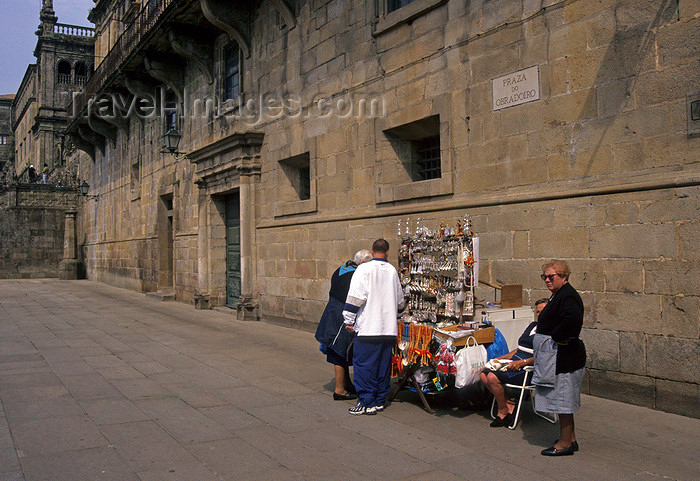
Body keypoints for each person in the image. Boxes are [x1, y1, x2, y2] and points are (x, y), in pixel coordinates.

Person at [343, 239, 405, 415]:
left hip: (369, 327)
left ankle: (366, 402)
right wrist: (397, 314)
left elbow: (355, 297)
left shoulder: (364, 269)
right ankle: (379, 400)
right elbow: (400, 302)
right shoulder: (392, 271)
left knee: (364, 366)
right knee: (382, 365)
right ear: (387, 252)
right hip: (388, 328)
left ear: (372, 250)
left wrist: (348, 320)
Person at [533, 260, 586, 456]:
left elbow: (572, 320)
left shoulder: (568, 296)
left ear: (563, 277)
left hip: (564, 358)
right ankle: (570, 439)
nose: (547, 280)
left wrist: (557, 336)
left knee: (563, 401)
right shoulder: (559, 295)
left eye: (551, 276)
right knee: (563, 399)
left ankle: (564, 444)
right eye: (544, 277)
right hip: (557, 357)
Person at [314, 249, 372, 400]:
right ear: (363, 262)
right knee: (340, 351)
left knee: (341, 351)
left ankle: (347, 383)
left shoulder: (342, 268)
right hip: (341, 313)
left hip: (333, 310)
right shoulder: (355, 275)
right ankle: (339, 390)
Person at [481, 298, 548, 427]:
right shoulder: (533, 326)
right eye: (538, 312)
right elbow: (518, 348)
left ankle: (502, 411)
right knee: (483, 375)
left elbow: (544, 357)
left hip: (528, 368)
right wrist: (500, 359)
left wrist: (522, 363)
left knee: (492, 377)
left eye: (543, 311)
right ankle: (508, 404)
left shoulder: (550, 331)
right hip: (514, 361)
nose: (540, 314)